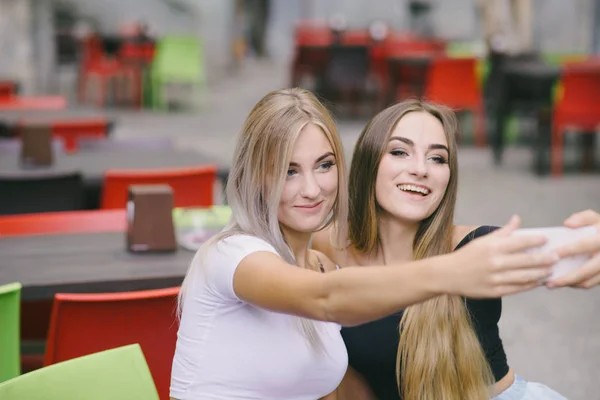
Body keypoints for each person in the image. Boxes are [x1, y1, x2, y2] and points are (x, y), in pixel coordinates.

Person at [169, 89, 560, 400]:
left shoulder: (318, 263)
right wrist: (453, 270)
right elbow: (327, 298)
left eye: (324, 165)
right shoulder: (233, 254)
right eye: (289, 170)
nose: (311, 188)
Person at [313, 98, 600, 400]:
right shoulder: (329, 245)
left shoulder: (475, 247)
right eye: (400, 152)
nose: (421, 169)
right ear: (368, 162)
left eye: (438, 158)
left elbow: (573, 251)